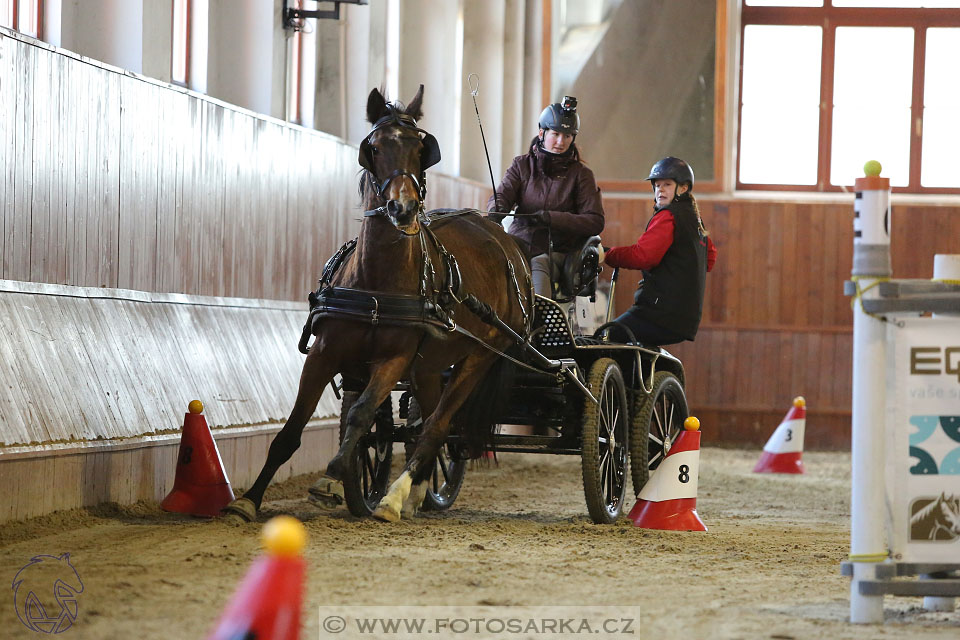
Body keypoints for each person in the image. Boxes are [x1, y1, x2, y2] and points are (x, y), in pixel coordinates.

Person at [487, 96, 604, 299]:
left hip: (559, 252)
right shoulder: (521, 165)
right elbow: (503, 194)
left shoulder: (582, 175)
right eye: (556, 134)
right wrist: (495, 210)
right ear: (542, 132)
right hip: (519, 243)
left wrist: (551, 218)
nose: (561, 141)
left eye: (567, 136)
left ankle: (540, 318)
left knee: (538, 262)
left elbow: (595, 221)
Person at [601, 157, 717, 346]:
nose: (660, 189)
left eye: (667, 184)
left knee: (608, 336)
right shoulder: (695, 221)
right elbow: (709, 259)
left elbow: (644, 256)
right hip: (685, 319)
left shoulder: (669, 216)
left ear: (683, 188)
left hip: (659, 313)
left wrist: (608, 254)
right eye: (657, 185)